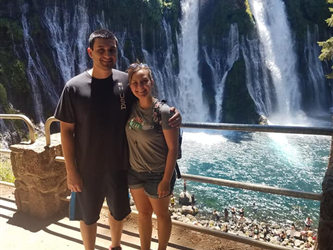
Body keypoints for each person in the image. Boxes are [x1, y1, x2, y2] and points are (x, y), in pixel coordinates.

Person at [54, 29, 181, 250]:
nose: (107, 54)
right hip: (86, 167)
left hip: (121, 166)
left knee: (118, 211)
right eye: (100, 50)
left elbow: (148, 102)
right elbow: (66, 132)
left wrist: (172, 112)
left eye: (111, 50)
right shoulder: (73, 87)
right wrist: (70, 170)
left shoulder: (126, 81)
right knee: (88, 216)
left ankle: (115, 246)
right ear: (90, 52)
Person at [125, 63, 179, 250]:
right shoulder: (129, 108)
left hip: (158, 173)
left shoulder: (163, 112)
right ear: (130, 86)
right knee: (143, 214)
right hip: (135, 172)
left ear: (152, 82)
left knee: (162, 215)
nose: (140, 87)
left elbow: (173, 148)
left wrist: (165, 179)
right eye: (135, 83)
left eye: (144, 81)